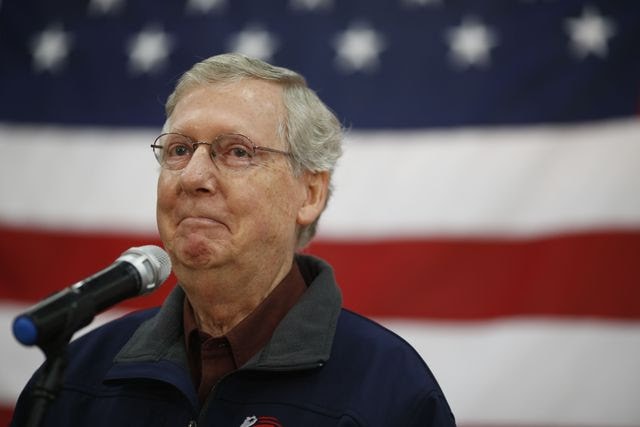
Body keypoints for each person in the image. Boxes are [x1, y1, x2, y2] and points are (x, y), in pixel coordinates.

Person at [12, 53, 455, 426]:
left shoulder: (389, 388)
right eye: (179, 150)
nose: (194, 177)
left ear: (310, 193)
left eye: (237, 152)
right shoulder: (75, 378)